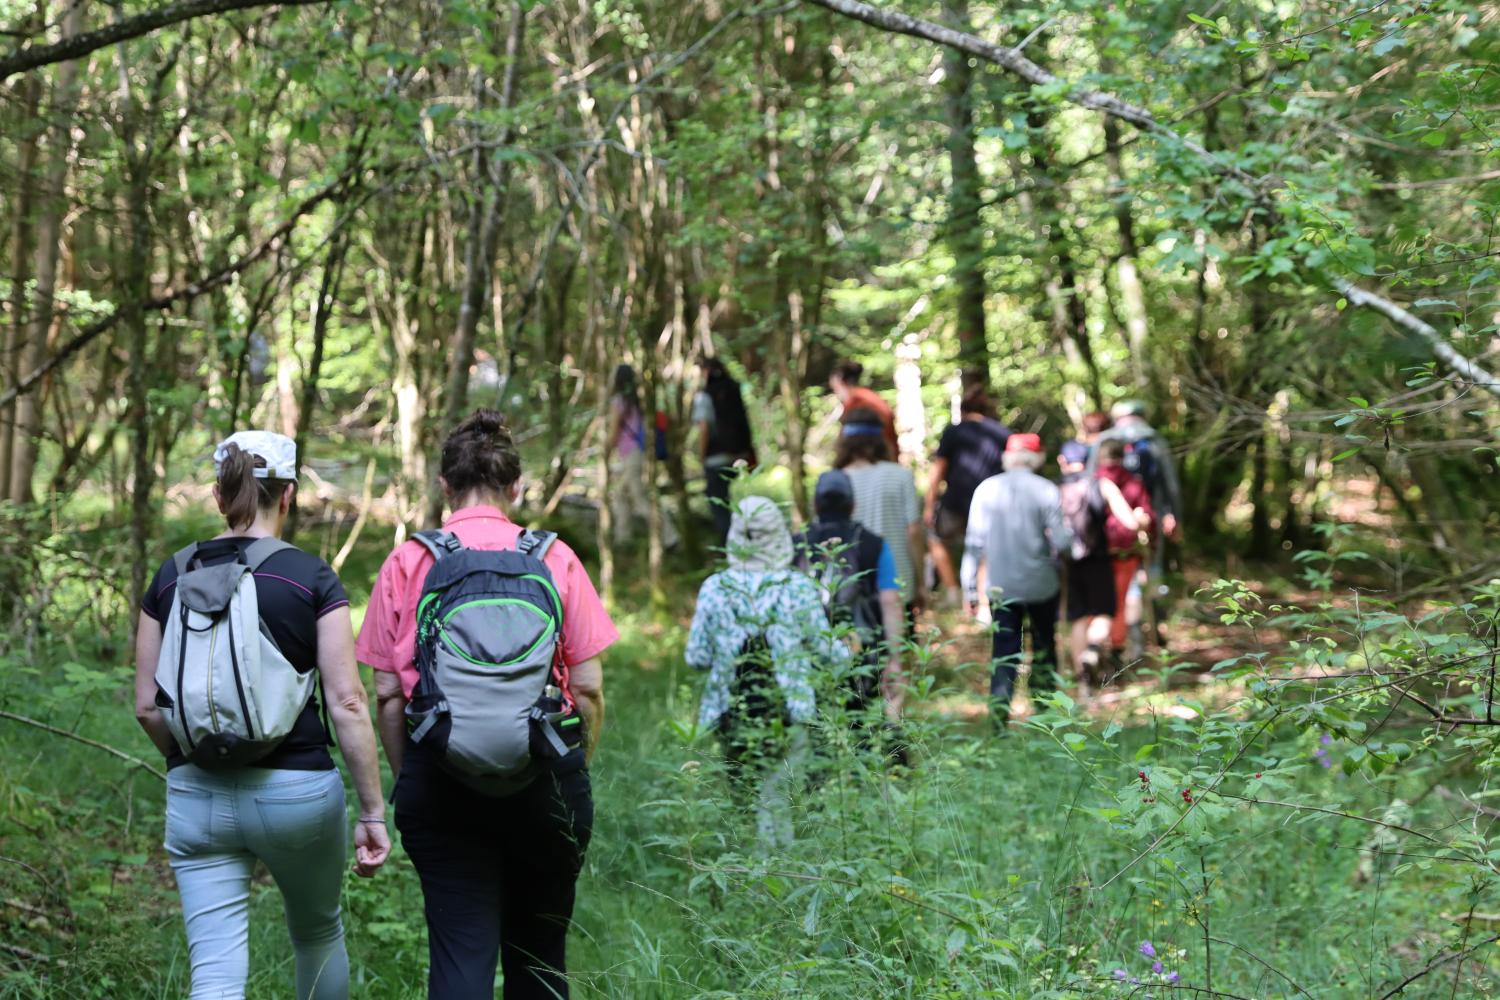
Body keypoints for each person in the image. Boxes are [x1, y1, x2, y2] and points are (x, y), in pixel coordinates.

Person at [358, 410, 616, 1000]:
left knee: (459, 957)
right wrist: (573, 768)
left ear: (444, 487)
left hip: (440, 781)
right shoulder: (555, 556)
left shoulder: (409, 561)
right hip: (547, 777)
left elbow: (387, 693)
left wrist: (416, 777)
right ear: (516, 488)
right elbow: (591, 686)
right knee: (541, 958)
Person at [133, 430, 390, 1000]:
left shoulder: (169, 577)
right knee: (318, 933)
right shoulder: (311, 578)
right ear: (290, 494)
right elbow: (348, 702)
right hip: (297, 793)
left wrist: (192, 759)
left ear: (219, 497)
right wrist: (372, 810)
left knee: (216, 973)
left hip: (196, 795)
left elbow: (147, 707)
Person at [687, 496, 845, 846]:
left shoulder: (715, 588)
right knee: (780, 793)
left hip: (730, 711)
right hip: (790, 710)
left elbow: (696, 656)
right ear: (780, 536)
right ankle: (780, 865)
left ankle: (750, 867)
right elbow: (827, 650)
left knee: (743, 795)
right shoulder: (798, 587)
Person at [962, 433, 1073, 726]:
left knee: (1004, 650)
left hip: (1001, 587)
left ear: (1007, 457)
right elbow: (1062, 542)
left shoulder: (986, 489)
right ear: (1036, 458)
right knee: (1045, 645)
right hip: (1041, 584)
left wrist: (970, 588)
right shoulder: (1046, 489)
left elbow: (974, 544)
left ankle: (999, 718)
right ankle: (1047, 717)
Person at [793, 469, 906, 722]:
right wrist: (895, 660)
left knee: (816, 725)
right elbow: (890, 602)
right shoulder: (874, 543)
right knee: (867, 724)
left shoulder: (796, 544)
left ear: (815, 504)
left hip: (807, 651)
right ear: (853, 505)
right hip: (864, 652)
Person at [1057, 440, 1150, 694]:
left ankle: (1083, 686)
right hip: (1098, 559)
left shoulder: (1054, 487)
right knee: (1104, 613)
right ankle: (1092, 651)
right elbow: (1130, 523)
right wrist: (1141, 520)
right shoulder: (1101, 484)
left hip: (1068, 561)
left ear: (1061, 461)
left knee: (1077, 618)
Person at [835, 408, 928, 620]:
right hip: (899, 581)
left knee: (861, 651)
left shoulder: (836, 481)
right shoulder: (900, 476)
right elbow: (913, 531)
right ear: (880, 439)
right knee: (901, 648)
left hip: (852, 584)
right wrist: (920, 582)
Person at [924, 387, 1010, 608]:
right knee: (986, 549)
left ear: (963, 410)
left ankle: (953, 590)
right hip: (992, 503)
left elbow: (939, 469)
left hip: (956, 501)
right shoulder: (1002, 433)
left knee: (936, 539)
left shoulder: (954, 431)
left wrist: (929, 503)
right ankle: (983, 601)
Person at [603, 363, 678, 548]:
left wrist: (604, 455)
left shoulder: (619, 402)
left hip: (632, 455)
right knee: (620, 495)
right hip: (638, 453)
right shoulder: (638, 401)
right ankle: (623, 540)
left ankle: (671, 538)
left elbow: (613, 435)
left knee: (640, 500)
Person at [1096, 436, 1157, 658]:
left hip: (1095, 554)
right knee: (1120, 601)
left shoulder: (1091, 481)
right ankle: (1116, 648)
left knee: (1097, 601)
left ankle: (1094, 649)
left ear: (1101, 456)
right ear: (1123, 457)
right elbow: (1148, 516)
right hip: (1125, 552)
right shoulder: (1134, 482)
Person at [692, 357, 756, 546]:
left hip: (716, 458)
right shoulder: (734, 389)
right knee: (741, 504)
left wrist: (701, 457)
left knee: (720, 507)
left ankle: (733, 551)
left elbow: (704, 428)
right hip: (741, 456)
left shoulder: (705, 396)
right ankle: (752, 547)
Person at [828, 360, 900, 461]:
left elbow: (847, 439)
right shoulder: (870, 395)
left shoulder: (856, 401)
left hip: (876, 458)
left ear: (842, 383)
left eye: (835, 388)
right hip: (888, 455)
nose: (836, 393)